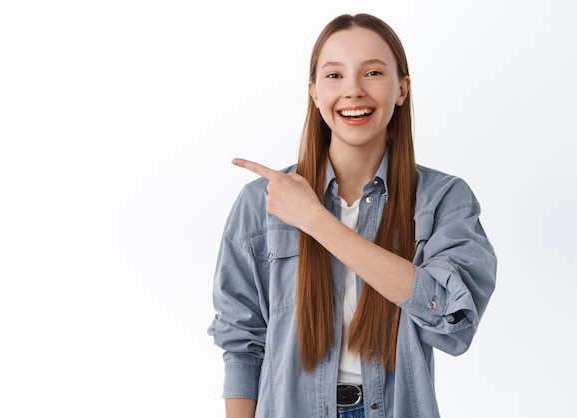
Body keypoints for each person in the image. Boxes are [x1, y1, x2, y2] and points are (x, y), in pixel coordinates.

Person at [207, 13, 497, 418]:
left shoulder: (443, 199)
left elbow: (452, 319)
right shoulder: (263, 202)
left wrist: (316, 220)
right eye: (334, 76)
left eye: (373, 72)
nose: (354, 91)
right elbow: (241, 340)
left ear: (401, 89)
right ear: (313, 92)